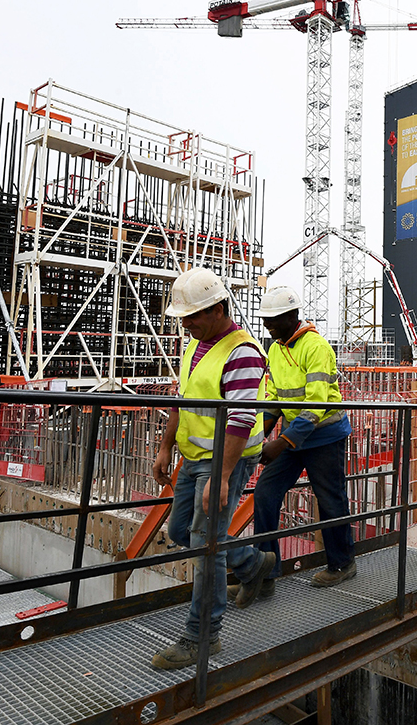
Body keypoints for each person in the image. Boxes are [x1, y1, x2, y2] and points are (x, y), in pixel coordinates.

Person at [151, 267, 277, 671]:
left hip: (228, 458)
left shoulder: (242, 352)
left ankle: (201, 635)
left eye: (193, 316)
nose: (185, 325)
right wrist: (165, 446)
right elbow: (183, 398)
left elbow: (240, 420)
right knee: (180, 530)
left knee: (207, 542)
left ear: (219, 308)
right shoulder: (196, 345)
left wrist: (221, 478)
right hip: (196, 456)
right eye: (183, 317)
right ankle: (253, 564)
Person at [231, 286, 356, 608]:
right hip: (295, 437)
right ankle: (265, 573)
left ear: (291, 316)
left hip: (325, 436)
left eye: (273, 320)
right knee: (265, 494)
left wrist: (281, 443)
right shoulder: (275, 349)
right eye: (265, 320)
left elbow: (315, 405)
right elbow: (274, 398)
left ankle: (342, 564)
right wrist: (260, 433)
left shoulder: (316, 347)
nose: (268, 326)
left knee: (330, 499)